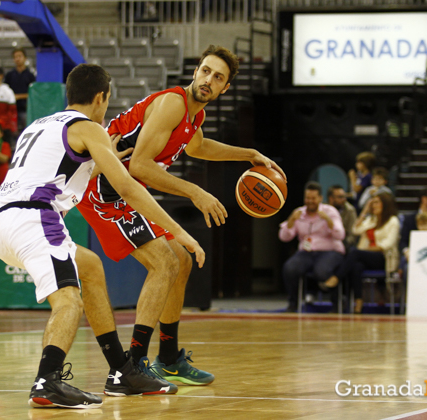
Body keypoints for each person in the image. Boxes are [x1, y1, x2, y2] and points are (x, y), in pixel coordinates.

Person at [0, 63, 204, 408]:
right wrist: (180, 232)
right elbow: (129, 188)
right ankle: (47, 381)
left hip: (1, 223)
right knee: (68, 300)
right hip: (36, 220)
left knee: (89, 268)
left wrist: (100, 161)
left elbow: (59, 172)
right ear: (101, 97)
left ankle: (122, 371)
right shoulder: (89, 128)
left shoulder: (39, 124)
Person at [76, 45, 284, 388]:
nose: (208, 80)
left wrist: (250, 154)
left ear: (225, 88)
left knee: (181, 261)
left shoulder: (193, 115)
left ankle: (169, 360)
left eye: (218, 77)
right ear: (195, 71)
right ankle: (132, 366)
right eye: (205, 71)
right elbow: (141, 165)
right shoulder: (173, 102)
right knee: (165, 263)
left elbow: (198, 147)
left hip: (124, 188)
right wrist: (195, 191)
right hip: (102, 188)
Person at [324, 192, 400, 314]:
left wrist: (365, 250)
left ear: (385, 204)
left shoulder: (393, 221)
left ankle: (336, 277)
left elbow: (387, 245)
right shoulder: (372, 219)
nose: (373, 205)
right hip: (366, 257)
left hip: (383, 258)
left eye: (376, 202)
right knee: (356, 267)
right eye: (372, 203)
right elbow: (356, 230)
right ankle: (359, 301)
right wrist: (365, 211)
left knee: (354, 253)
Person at [279, 182, 345, 313]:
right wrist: (291, 221)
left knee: (321, 271)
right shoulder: (298, 213)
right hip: (306, 252)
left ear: (320, 198)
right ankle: (293, 303)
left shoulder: (330, 211)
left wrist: (329, 221)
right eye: (307, 198)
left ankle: (337, 302)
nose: (310, 201)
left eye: (313, 198)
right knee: (290, 268)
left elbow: (340, 235)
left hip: (330, 251)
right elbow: (284, 237)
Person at [4, 48, 36, 133]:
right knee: (12, 131)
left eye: (19, 56)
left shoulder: (30, 75)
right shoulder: (9, 75)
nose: (17, 59)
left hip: (25, 108)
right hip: (12, 108)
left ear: (25, 58)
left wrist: (19, 96)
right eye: (15, 57)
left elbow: (34, 93)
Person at [327, 184, 357, 249]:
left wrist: (343, 244)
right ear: (331, 199)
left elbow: (352, 234)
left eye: (344, 197)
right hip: (324, 243)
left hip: (343, 243)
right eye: (340, 197)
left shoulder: (350, 210)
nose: (344, 199)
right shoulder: (323, 210)